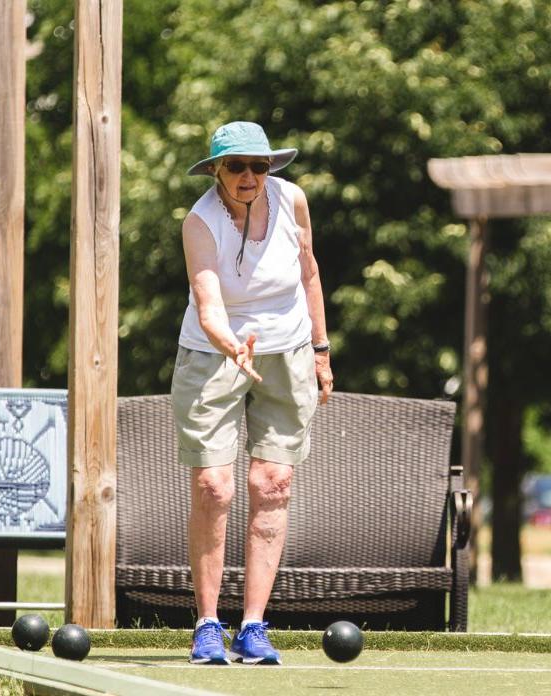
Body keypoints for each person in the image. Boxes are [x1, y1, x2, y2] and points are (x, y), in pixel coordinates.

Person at [172, 121, 334, 665]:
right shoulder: (200, 222)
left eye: (259, 166)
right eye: (236, 166)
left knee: (274, 481)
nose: (249, 176)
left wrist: (320, 348)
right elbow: (208, 301)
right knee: (214, 487)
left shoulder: (293, 201)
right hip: (213, 350)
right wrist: (231, 346)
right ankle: (207, 624)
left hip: (287, 348)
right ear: (216, 169)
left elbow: (309, 271)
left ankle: (254, 626)